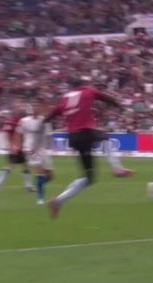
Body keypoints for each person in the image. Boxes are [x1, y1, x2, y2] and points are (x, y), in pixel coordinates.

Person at [42, 81, 133, 218]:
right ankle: (118, 168)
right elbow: (106, 97)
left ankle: (57, 201)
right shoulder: (87, 90)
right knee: (104, 137)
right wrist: (121, 106)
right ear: (84, 84)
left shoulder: (65, 98)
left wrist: (42, 122)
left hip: (74, 138)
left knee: (88, 178)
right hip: (85, 131)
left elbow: (51, 114)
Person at [17, 100, 54, 205]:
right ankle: (40, 198)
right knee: (40, 172)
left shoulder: (45, 121)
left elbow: (48, 136)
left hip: (42, 150)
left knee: (50, 176)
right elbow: (19, 133)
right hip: (31, 150)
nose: (34, 107)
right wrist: (20, 146)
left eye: (36, 105)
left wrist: (52, 148)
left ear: (41, 107)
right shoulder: (24, 121)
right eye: (33, 105)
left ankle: (38, 184)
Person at [0, 101, 34, 192]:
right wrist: (13, 146)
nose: (20, 109)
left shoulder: (19, 121)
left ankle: (28, 186)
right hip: (16, 147)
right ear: (14, 110)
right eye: (17, 108)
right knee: (11, 166)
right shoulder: (12, 122)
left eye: (20, 108)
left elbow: (23, 135)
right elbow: (9, 135)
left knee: (25, 165)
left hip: (20, 147)